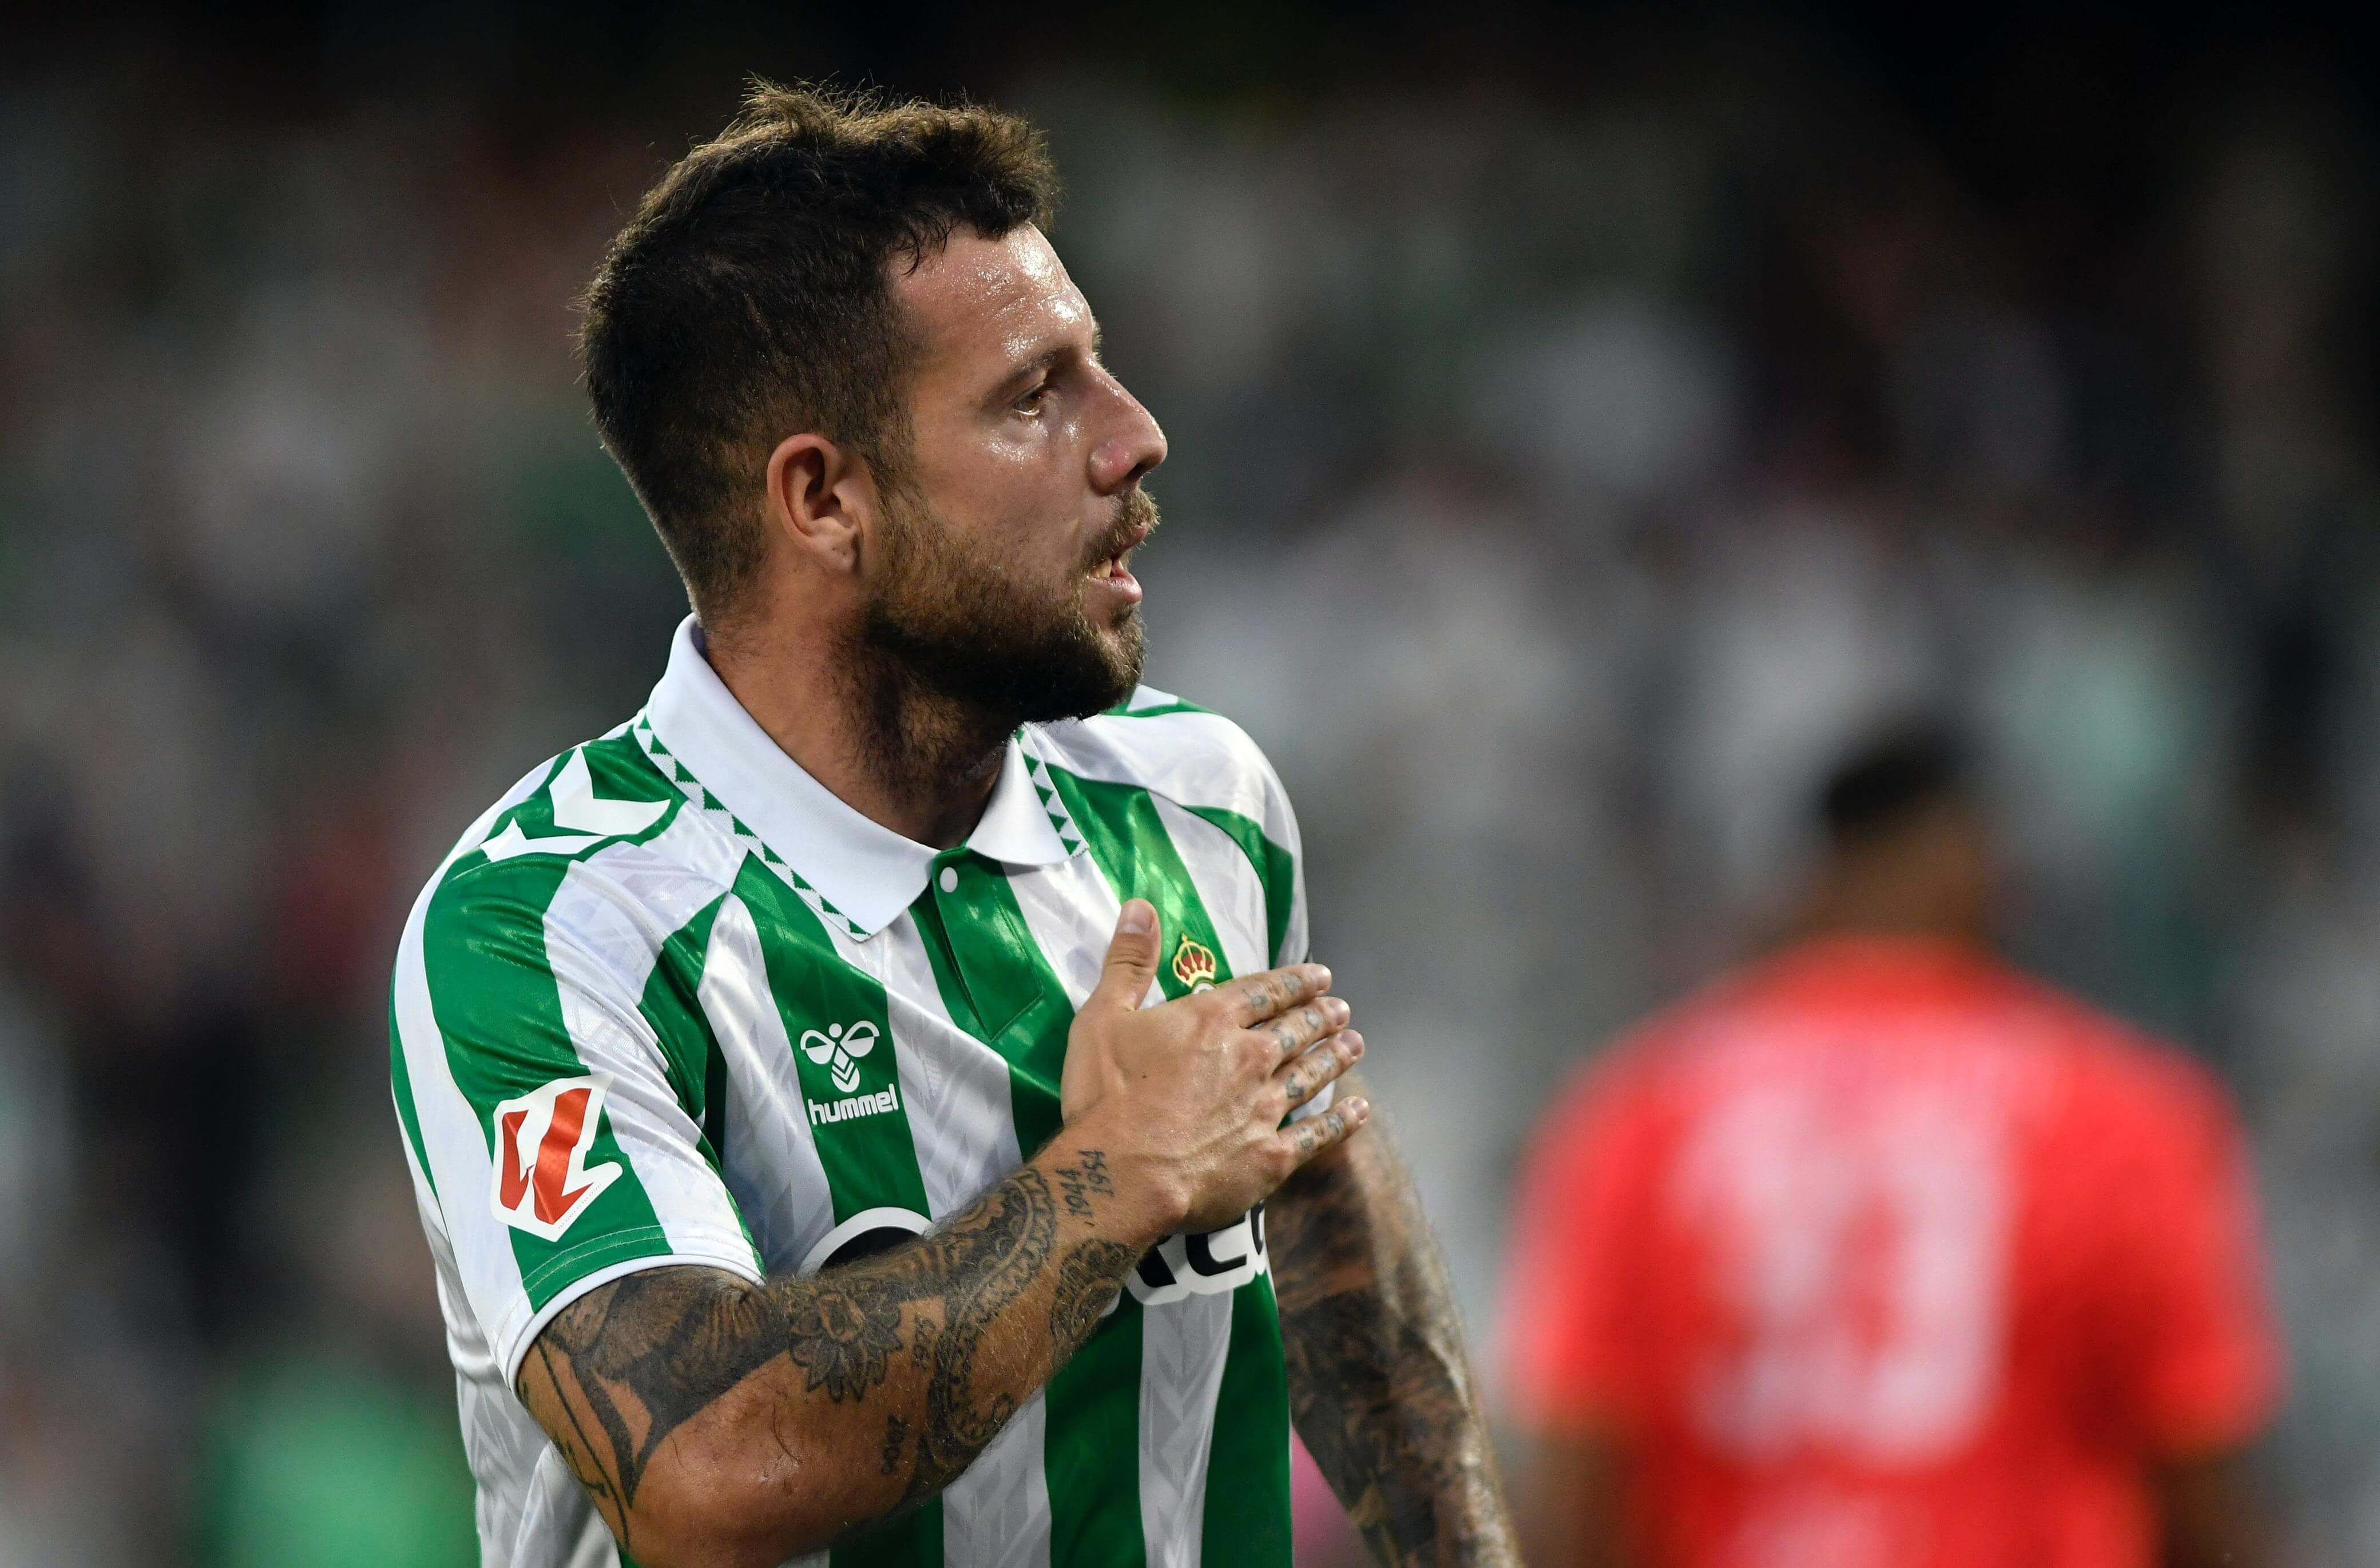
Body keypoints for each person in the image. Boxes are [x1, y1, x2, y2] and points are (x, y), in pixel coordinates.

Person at [387, 84, 1518, 1568]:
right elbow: (703, 1470)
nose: (1136, 438)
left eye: (1098, 369)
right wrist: (1120, 1175)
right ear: (824, 500)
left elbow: (1335, 1257)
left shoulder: (1196, 803)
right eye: (1034, 396)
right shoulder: (551, 922)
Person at [1504, 724, 2284, 1568]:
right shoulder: (2130, 1111)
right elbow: (2202, 1483)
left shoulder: (1637, 1109)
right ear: (1980, 869)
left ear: (1811, 874)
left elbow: (1574, 1491)